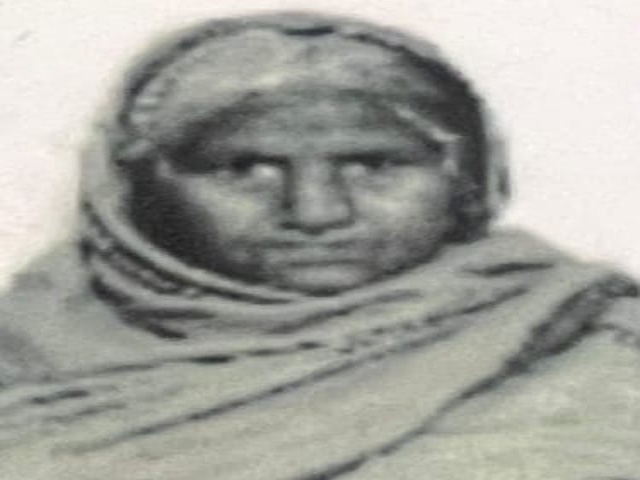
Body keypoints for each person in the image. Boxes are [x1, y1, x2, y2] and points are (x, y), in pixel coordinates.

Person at [1, 11, 640, 480]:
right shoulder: (29, 360)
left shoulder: (598, 344)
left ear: (467, 180)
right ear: (133, 188)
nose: (316, 213)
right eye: (246, 168)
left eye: (375, 164)